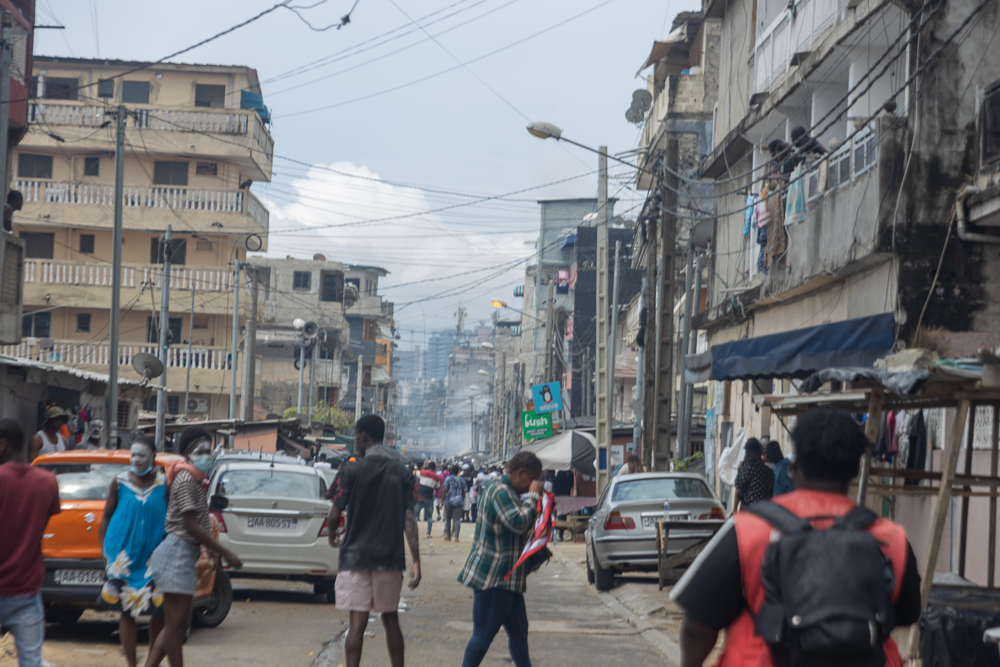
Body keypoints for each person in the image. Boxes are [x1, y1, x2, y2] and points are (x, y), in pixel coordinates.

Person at [672, 409, 922, 667]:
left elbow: (698, 626)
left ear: (794, 466)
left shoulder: (748, 530)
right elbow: (907, 614)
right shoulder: (891, 538)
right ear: (855, 469)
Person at [327, 415, 420, 667]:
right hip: (388, 559)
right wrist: (416, 561)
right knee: (391, 620)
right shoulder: (402, 472)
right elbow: (409, 518)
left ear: (364, 437)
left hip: (354, 558)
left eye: (356, 435)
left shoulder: (350, 469)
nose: (355, 440)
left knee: (356, 624)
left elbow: (334, 514)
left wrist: (331, 534)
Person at [144, 427, 242, 667]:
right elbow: (190, 523)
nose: (206, 455)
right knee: (176, 628)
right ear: (187, 454)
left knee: (176, 627)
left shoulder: (192, 480)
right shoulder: (187, 480)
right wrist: (224, 551)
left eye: (209, 450)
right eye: (201, 451)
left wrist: (212, 553)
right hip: (176, 555)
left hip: (182, 555)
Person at [458, 451, 545, 667]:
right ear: (521, 473)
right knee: (484, 634)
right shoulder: (500, 491)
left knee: (519, 632)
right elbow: (517, 522)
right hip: (495, 577)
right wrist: (533, 498)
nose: (532, 485)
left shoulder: (506, 490)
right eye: (531, 480)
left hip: (509, 578)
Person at [99, 437, 167, 667]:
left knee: (158, 613)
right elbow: (106, 516)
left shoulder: (164, 484)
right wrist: (105, 552)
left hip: (153, 559)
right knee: (126, 612)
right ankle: (131, 664)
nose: (136, 460)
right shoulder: (118, 482)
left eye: (141, 455)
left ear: (153, 458)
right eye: (133, 455)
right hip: (123, 559)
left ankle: (151, 663)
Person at [0, 419, 60, 667]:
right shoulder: (47, 482)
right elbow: (39, 529)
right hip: (26, 591)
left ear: (3, 445)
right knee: (32, 662)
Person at [734, 438, 773, 510]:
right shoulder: (769, 471)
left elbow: (738, 485)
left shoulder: (749, 469)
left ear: (750, 452)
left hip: (750, 510)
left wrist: (734, 508)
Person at [443, 465, 468, 542]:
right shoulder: (462, 479)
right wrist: (462, 500)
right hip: (459, 501)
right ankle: (456, 537)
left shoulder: (448, 478)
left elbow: (445, 490)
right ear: (458, 471)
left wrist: (442, 500)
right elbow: (465, 491)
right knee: (457, 520)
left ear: (451, 471)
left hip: (449, 501)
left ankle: (448, 536)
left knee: (447, 518)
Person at [415, 461, 439, 537]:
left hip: (420, 497)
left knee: (413, 514)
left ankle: (408, 530)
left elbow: (416, 474)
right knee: (429, 517)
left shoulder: (422, 472)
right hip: (429, 497)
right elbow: (437, 487)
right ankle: (428, 533)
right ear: (435, 468)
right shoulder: (437, 477)